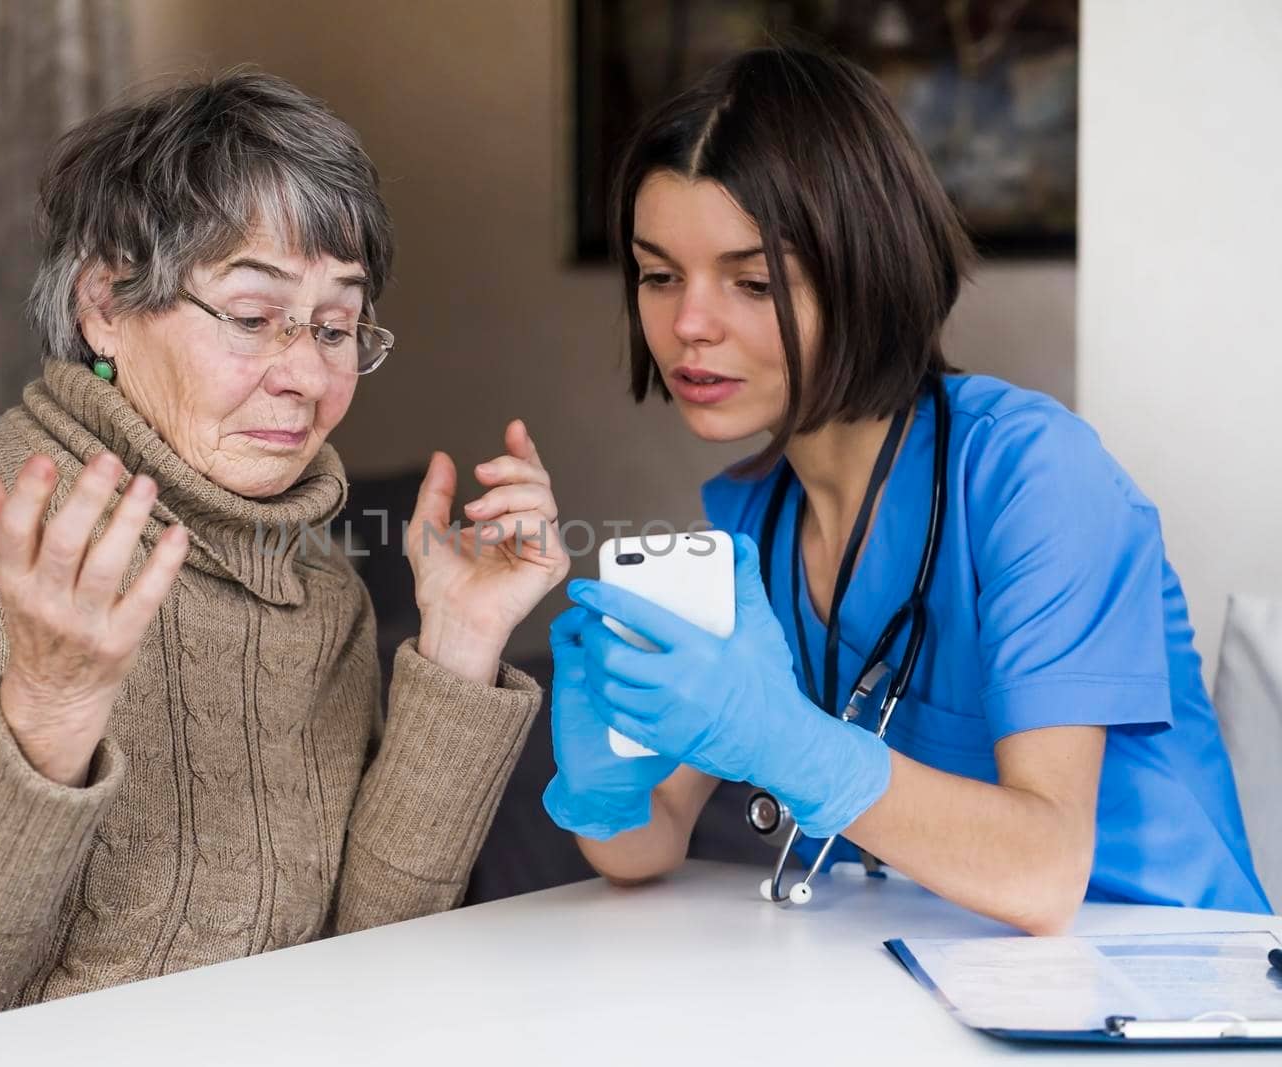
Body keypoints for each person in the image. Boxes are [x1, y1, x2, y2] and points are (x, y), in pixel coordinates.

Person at [0, 72, 568, 1064]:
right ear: (104, 307)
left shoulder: (315, 578)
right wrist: (50, 704)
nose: (305, 374)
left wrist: (461, 645)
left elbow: (370, 947)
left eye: (336, 326)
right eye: (254, 316)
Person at [541, 46, 1269, 933]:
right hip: (926, 976)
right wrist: (603, 769)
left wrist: (783, 738)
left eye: (754, 281)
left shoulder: (1034, 479)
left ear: (865, 272)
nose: (687, 324)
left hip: (1163, 980)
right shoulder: (752, 524)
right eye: (659, 275)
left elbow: (1044, 873)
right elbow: (646, 843)